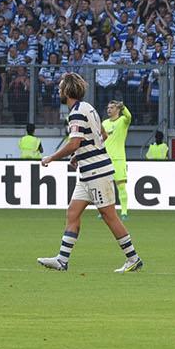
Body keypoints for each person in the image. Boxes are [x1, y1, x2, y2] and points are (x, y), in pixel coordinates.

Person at [37, 72, 143, 274]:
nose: (59, 90)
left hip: (97, 171)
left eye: (60, 87)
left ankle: (133, 258)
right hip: (88, 172)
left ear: (67, 91)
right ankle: (62, 260)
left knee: (109, 215)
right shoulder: (88, 108)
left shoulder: (76, 112)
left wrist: (52, 157)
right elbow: (101, 135)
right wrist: (80, 155)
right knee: (73, 213)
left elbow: (74, 142)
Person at [102, 100, 132, 217]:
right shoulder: (104, 123)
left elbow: (129, 116)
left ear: (117, 109)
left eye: (112, 108)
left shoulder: (123, 121)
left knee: (121, 186)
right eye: (108, 108)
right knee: (106, 188)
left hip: (119, 159)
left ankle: (124, 212)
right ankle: (107, 211)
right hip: (106, 159)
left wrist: (123, 107)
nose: (109, 109)